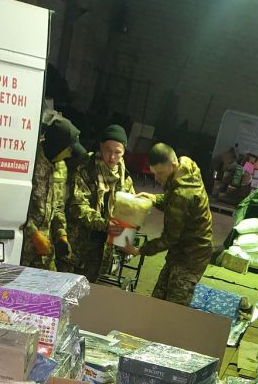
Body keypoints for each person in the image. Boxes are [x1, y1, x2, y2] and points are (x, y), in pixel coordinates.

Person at [126, 144, 213, 304]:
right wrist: (154, 198)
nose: (156, 178)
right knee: (158, 300)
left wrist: (139, 250)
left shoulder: (182, 194)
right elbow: (172, 199)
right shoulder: (185, 166)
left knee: (173, 307)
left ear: (172, 165)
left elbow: (169, 238)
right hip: (180, 249)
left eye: (160, 173)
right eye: (154, 173)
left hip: (192, 256)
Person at [66, 125, 135, 282]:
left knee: (92, 288)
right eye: (108, 150)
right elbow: (77, 207)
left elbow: (129, 213)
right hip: (80, 244)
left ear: (124, 152)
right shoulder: (85, 170)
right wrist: (105, 225)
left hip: (103, 249)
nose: (112, 157)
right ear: (100, 147)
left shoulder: (125, 180)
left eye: (117, 152)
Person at [21, 117, 86, 269]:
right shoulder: (31, 162)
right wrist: (33, 234)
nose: (69, 154)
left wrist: (61, 234)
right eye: (68, 149)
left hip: (45, 250)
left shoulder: (61, 167)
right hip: (23, 248)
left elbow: (58, 207)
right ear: (58, 146)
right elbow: (14, 203)